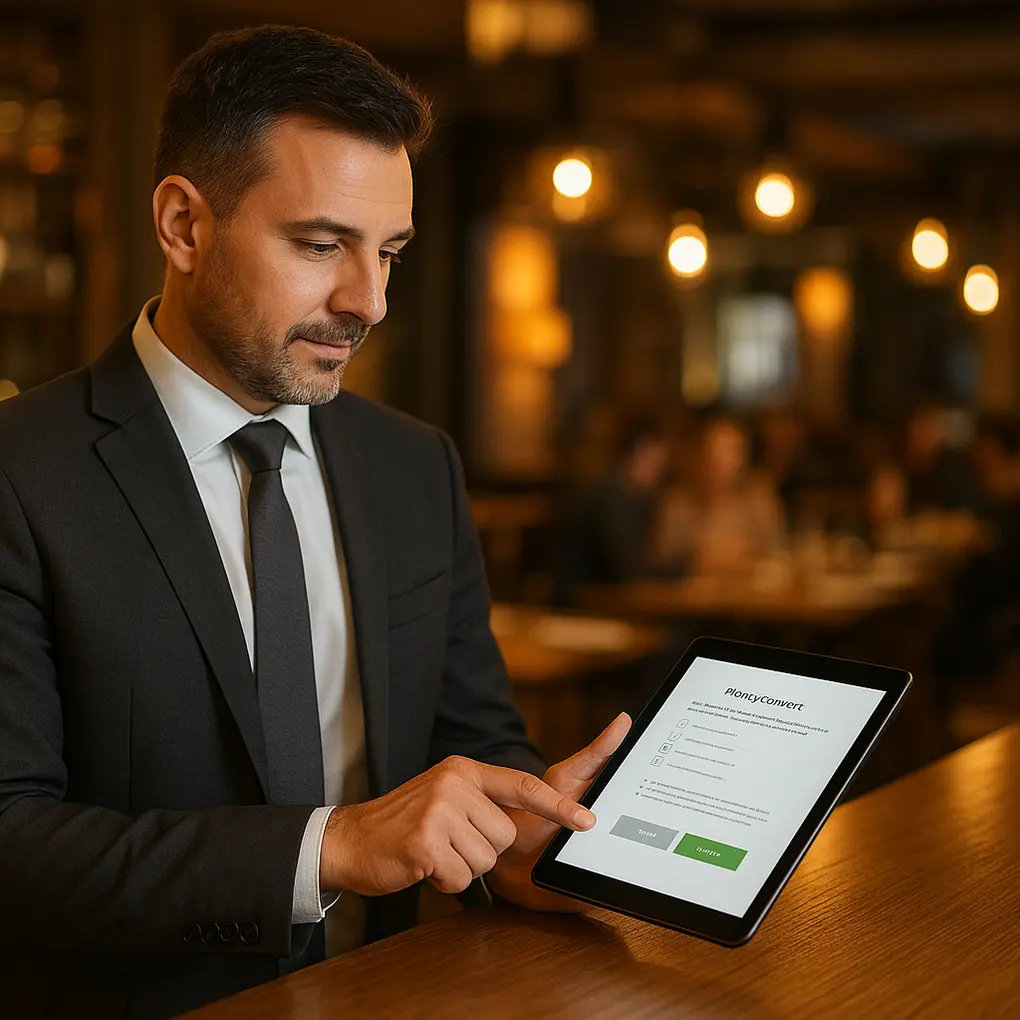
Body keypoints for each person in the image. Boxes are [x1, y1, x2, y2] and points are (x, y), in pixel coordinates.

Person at [0, 27, 630, 1020]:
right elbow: (10, 842)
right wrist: (328, 847)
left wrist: (513, 835)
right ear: (182, 224)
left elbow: (470, 741)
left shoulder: (417, 465)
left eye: (389, 251)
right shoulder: (19, 473)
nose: (368, 300)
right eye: (321, 244)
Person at [553, 415, 673, 602]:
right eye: (658, 462)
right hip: (583, 605)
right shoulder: (610, 497)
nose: (660, 473)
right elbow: (627, 569)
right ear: (640, 452)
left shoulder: (628, 497)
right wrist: (685, 568)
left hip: (602, 599)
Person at [654, 416, 784, 577]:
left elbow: (776, 553)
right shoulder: (678, 501)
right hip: (691, 597)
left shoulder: (758, 498)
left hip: (750, 595)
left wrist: (740, 557)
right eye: (716, 452)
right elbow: (662, 560)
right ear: (700, 455)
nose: (724, 462)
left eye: (733, 452)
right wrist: (700, 559)